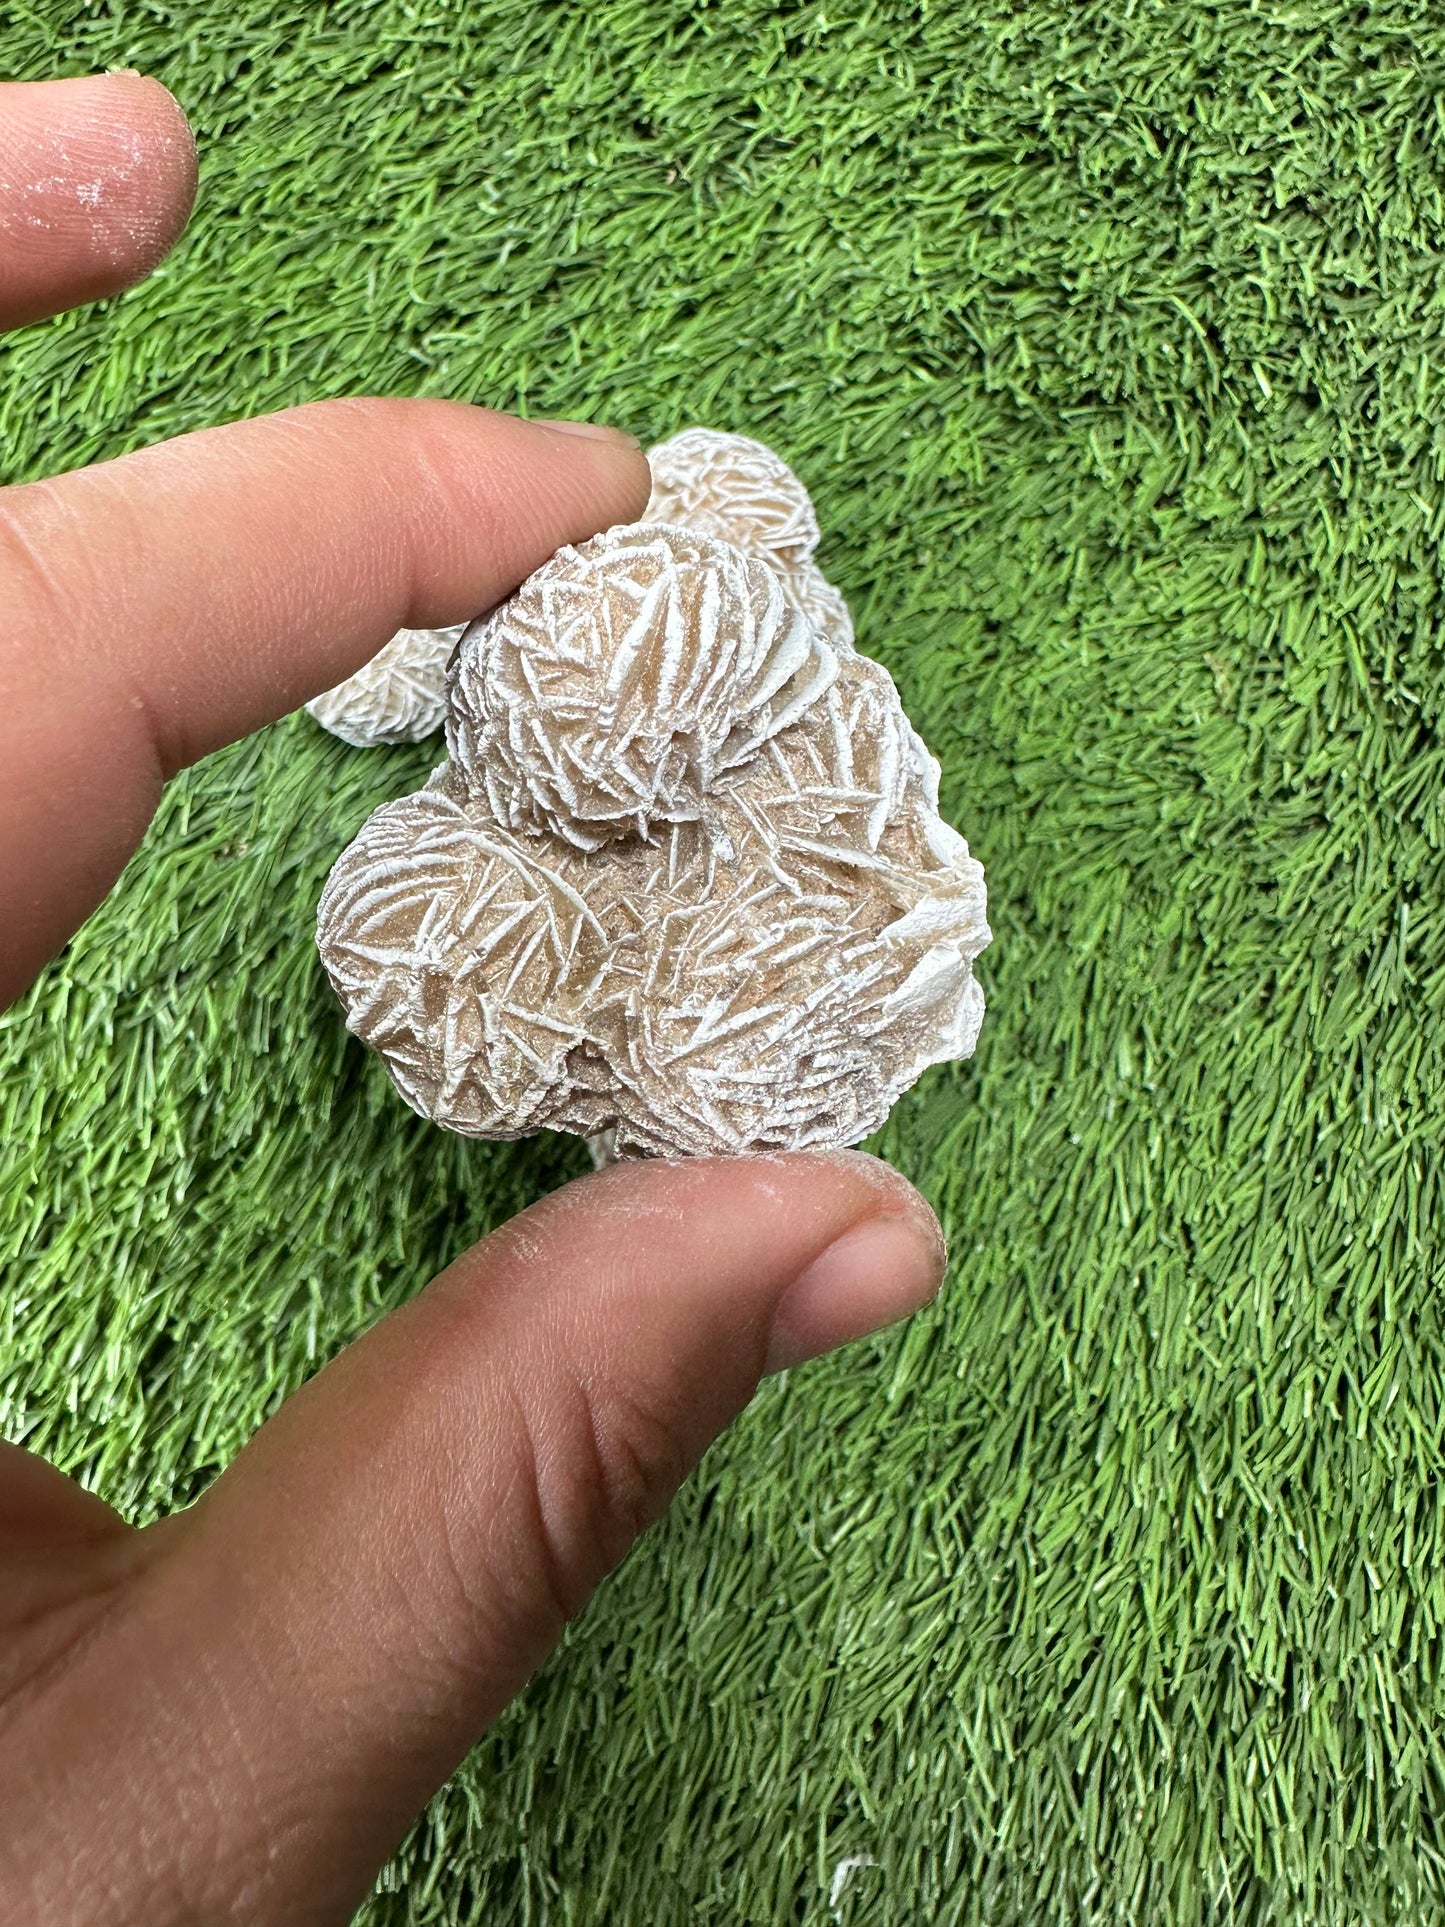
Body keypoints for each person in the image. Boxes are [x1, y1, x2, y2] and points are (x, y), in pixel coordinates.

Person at [0, 73, 946, 1924]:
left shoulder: (763, 735)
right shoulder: (531, 784)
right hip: (601, 876)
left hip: (736, 921)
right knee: (480, 923)